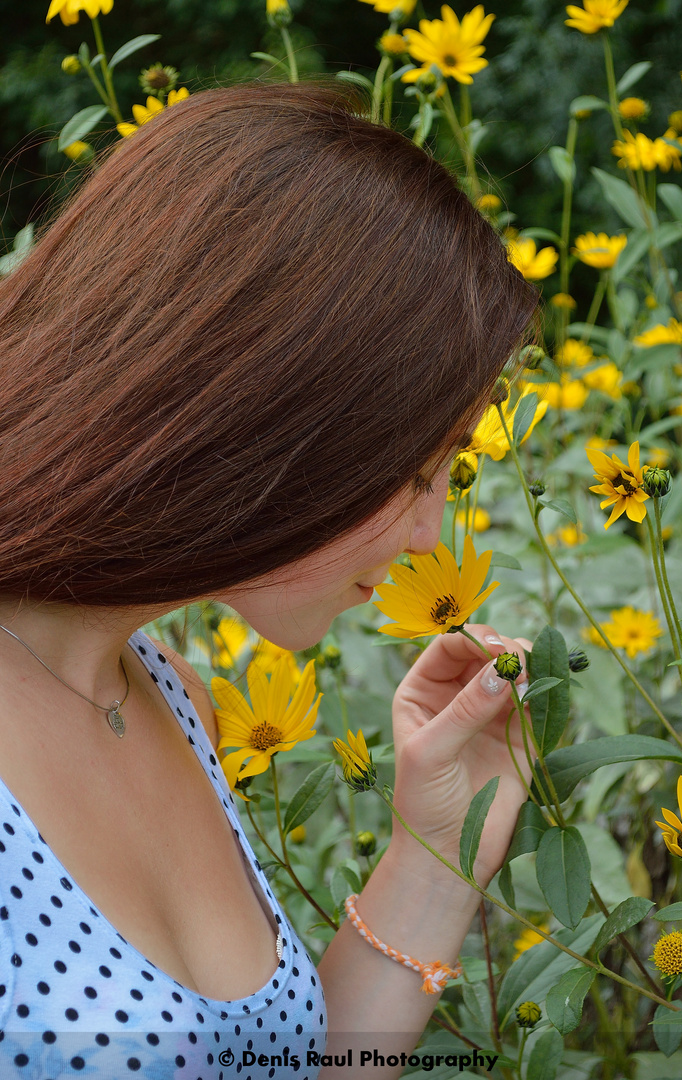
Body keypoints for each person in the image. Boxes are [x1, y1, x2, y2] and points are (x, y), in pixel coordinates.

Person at [0, 78, 538, 1078]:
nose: (431, 534)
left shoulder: (171, 697)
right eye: (417, 468)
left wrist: (434, 853)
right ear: (262, 414)